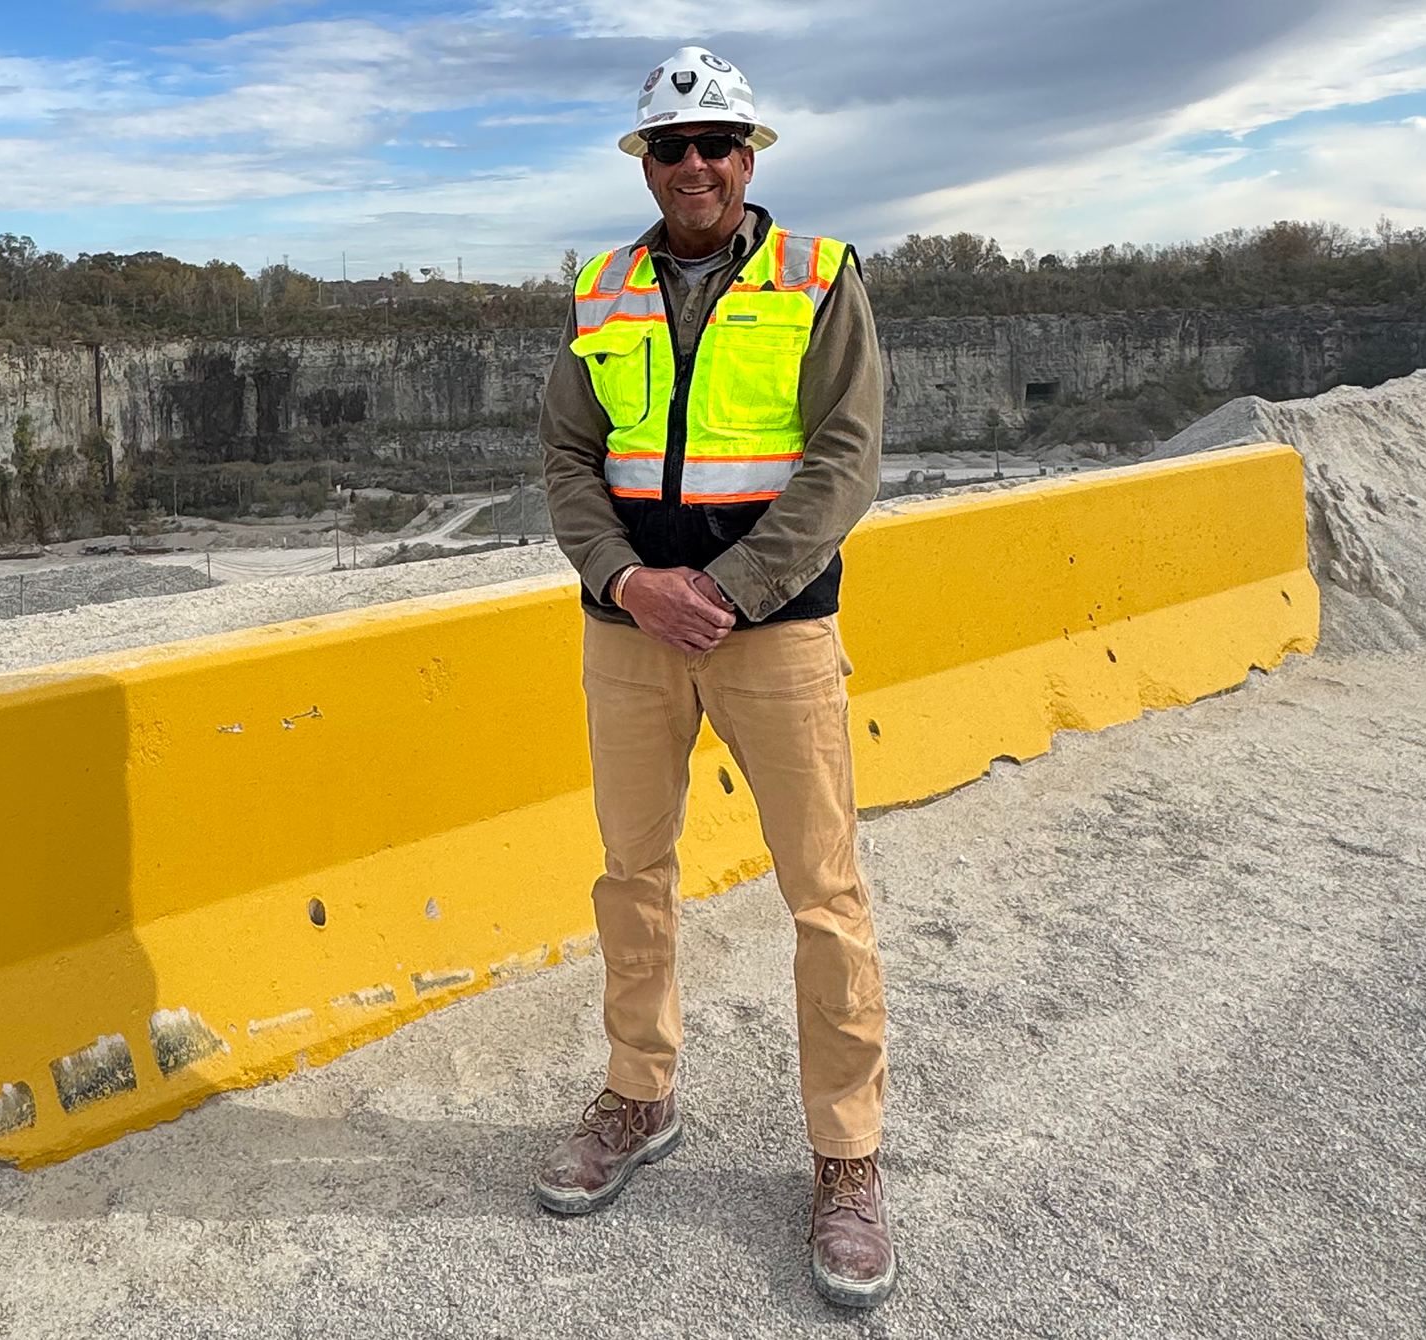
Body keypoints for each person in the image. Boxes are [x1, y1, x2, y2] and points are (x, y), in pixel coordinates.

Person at [534, 45, 896, 1309]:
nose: (696, 165)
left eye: (718, 142)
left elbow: (844, 458)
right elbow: (569, 463)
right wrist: (633, 582)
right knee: (630, 871)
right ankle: (638, 1097)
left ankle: (845, 1157)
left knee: (822, 890)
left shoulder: (819, 277)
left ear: (751, 155)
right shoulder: (598, 287)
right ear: (645, 161)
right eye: (671, 147)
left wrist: (727, 591)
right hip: (629, 630)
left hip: (775, 628)